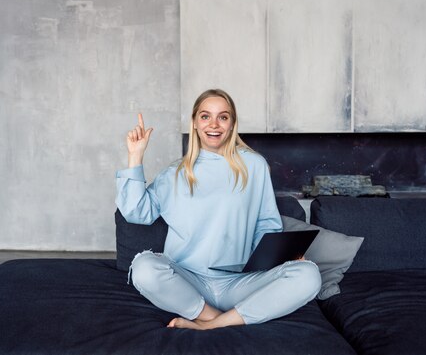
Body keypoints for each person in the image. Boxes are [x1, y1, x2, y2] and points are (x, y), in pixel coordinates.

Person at [115, 89, 321, 330]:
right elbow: (136, 212)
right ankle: (213, 316)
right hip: (188, 283)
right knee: (144, 268)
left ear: (232, 123)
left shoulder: (254, 165)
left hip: (241, 283)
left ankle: (210, 324)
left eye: (223, 117)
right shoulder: (174, 174)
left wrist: (281, 257)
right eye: (205, 116)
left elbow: (267, 223)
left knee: (308, 274)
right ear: (194, 122)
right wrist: (135, 157)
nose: (214, 124)